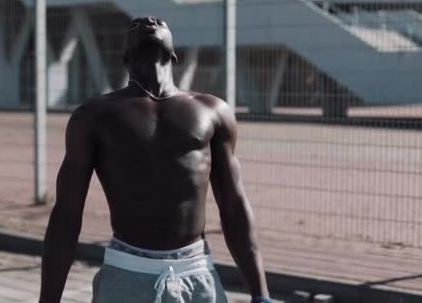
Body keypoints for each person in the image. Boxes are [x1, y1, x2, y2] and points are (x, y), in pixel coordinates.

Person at [39, 16, 270, 303]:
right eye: (135, 24)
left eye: (159, 21)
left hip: (196, 274)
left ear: (174, 55)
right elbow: (66, 215)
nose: (149, 21)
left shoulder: (213, 111)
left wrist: (261, 295)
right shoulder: (93, 117)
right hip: (126, 273)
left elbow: (233, 205)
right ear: (125, 58)